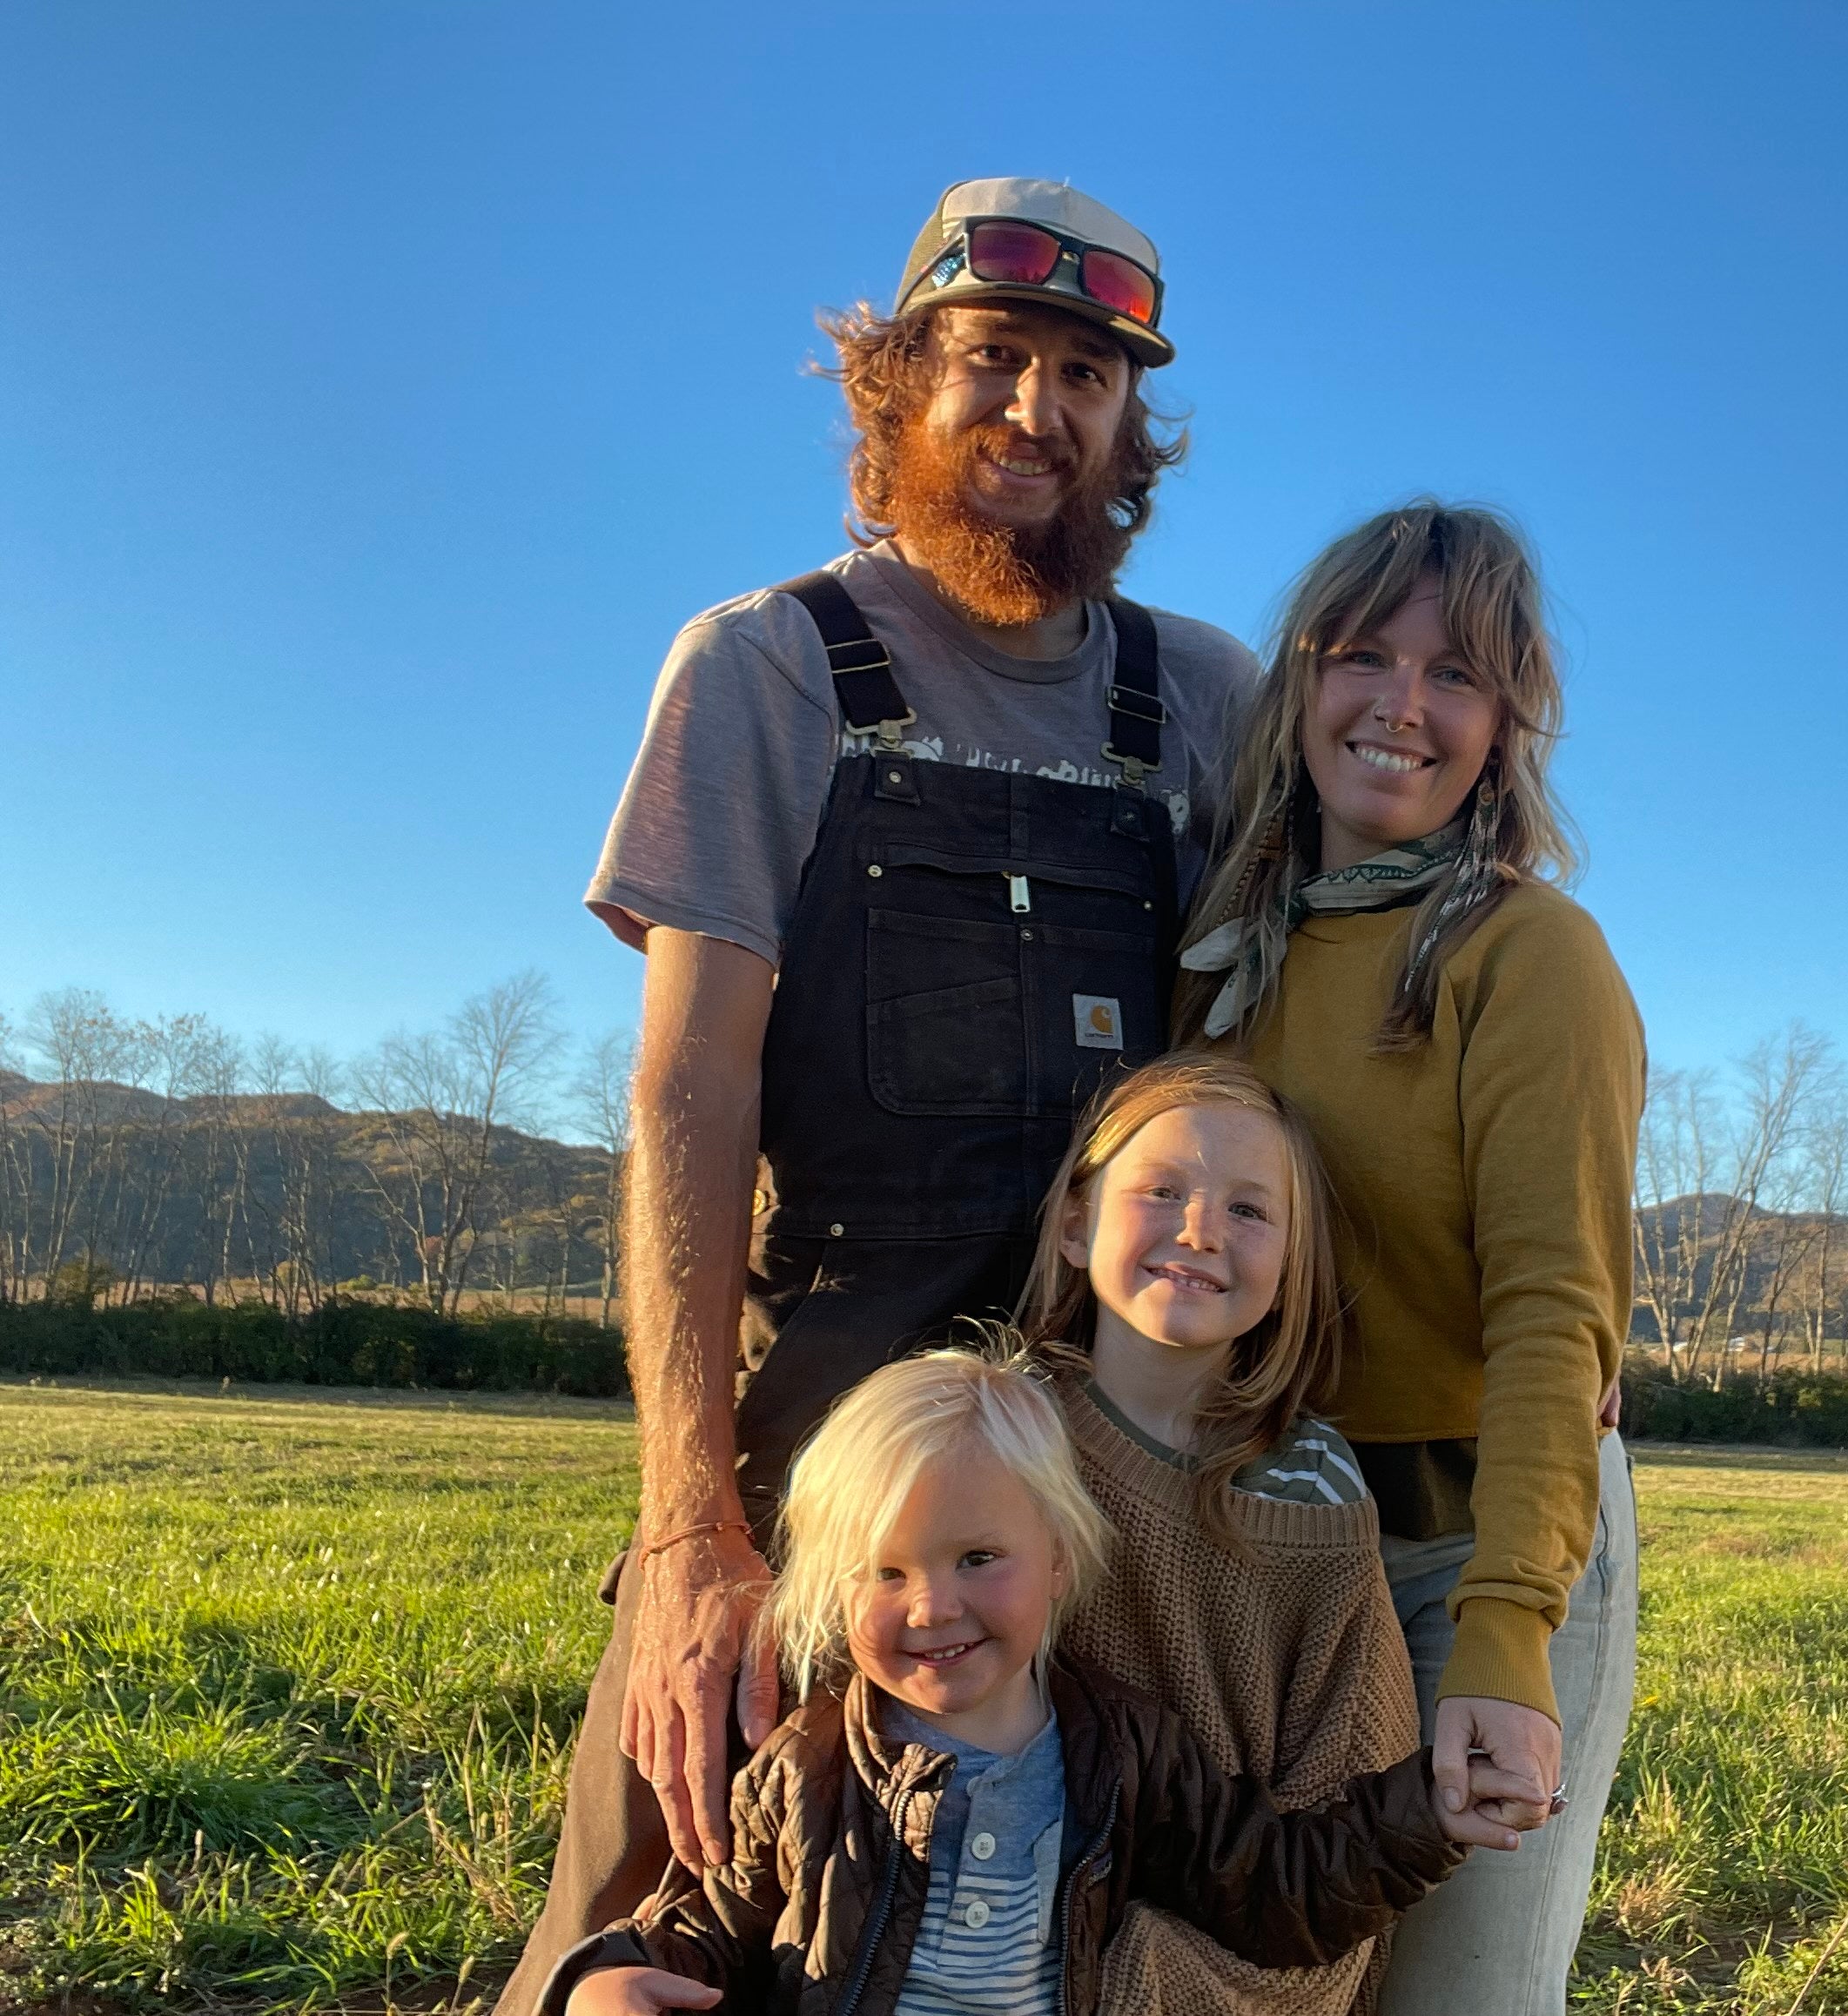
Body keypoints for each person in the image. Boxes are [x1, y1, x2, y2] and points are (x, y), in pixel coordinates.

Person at [496, 177, 1258, 2014]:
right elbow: (691, 1095)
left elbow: (1291, 1085)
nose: (1035, 411)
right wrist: (694, 1531)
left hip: (1121, 1436)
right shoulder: (766, 668)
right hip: (829, 1427)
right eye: (992, 359)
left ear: (1124, 426)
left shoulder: (1210, 702)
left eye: (1085, 375)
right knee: (652, 1910)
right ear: (897, 382)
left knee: (1098, 1933)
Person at [1179, 503, 1645, 2014]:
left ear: (1506, 725)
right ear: (1298, 684)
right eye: (1361, 655)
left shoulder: (1527, 960)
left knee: (1456, 1997)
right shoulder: (1222, 962)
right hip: (1267, 1553)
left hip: (1478, 1548)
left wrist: (1508, 1632)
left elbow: (1549, 1319)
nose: (1399, 705)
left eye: (1454, 675)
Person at [544, 1348, 1483, 2016]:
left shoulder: (1121, 1751)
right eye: (885, 1573)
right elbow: (713, 1922)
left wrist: (1434, 1806)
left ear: (1061, 1562)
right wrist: (607, 1976)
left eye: (978, 1558)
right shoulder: (810, 1766)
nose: (930, 1608)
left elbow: (1274, 1890)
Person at [1020, 1053, 1542, 2013]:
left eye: (1250, 1210)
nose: (1200, 1229)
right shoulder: (984, 1437)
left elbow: (1335, 1859)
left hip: (1224, 1953)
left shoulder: (1314, 1491)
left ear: (1293, 1263)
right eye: (1161, 1189)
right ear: (1072, 1219)